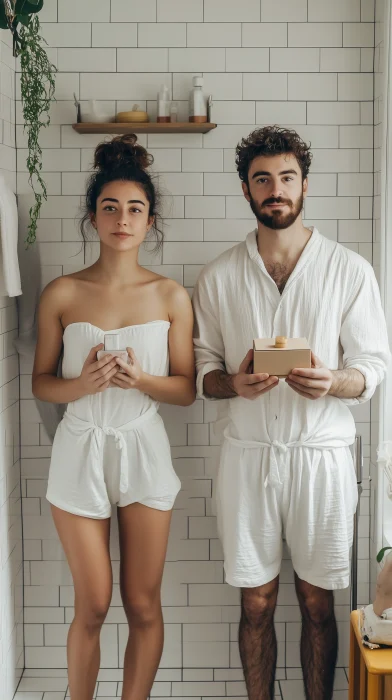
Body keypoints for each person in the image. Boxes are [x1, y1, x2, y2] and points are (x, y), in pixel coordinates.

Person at [192, 125, 390, 700]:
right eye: (262, 180)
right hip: (248, 459)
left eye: (285, 178)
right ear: (246, 190)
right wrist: (235, 381)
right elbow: (204, 374)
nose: (274, 189)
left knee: (317, 602)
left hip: (321, 459)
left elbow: (373, 367)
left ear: (304, 184)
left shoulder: (349, 271)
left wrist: (334, 380)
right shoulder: (219, 276)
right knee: (255, 602)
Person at [32, 134, 195, 700]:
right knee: (94, 603)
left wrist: (140, 380)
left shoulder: (171, 296)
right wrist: (83, 384)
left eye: (135, 209)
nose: (122, 219)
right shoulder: (62, 293)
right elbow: (41, 383)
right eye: (110, 207)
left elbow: (186, 391)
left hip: (143, 450)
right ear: (93, 217)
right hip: (78, 450)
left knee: (143, 602)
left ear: (149, 222)